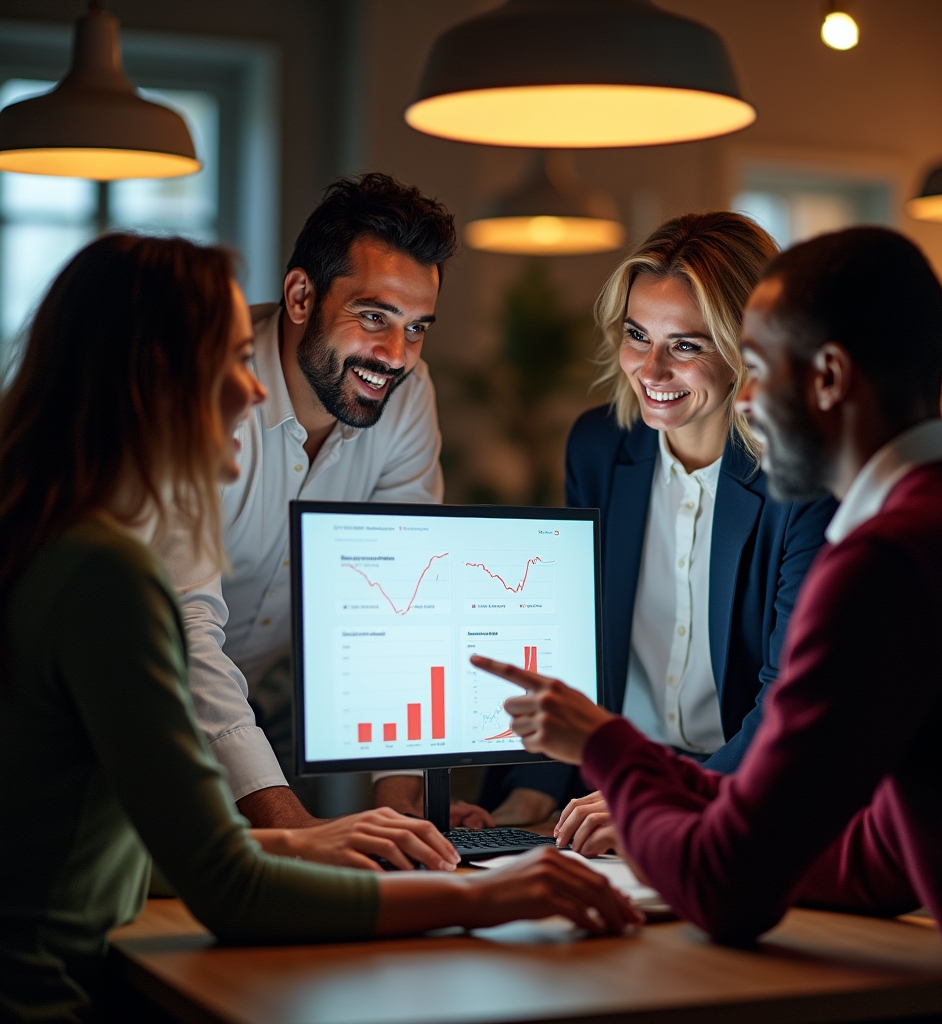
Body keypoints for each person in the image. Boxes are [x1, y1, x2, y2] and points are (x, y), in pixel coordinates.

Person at [0, 234, 640, 1023]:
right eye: (235, 361)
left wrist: (299, 844)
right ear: (158, 382)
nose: (256, 392)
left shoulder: (52, 541)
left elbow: (127, 854)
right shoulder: (109, 575)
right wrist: (487, 897)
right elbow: (227, 891)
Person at [471, 226, 942, 1014]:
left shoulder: (882, 562)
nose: (747, 401)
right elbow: (890, 850)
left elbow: (730, 889)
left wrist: (610, 752)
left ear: (829, 377)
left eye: (755, 368)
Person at [157, 173, 493, 841]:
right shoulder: (208, 385)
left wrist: (403, 804)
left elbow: (404, 603)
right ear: (302, 295)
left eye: (416, 327)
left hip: (254, 698)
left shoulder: (407, 393)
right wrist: (300, 832)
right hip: (134, 704)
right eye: (373, 316)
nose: (394, 357)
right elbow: (185, 633)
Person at [483, 212, 835, 837]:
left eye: (687, 345)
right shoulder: (596, 447)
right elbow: (569, 644)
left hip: (741, 794)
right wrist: (527, 798)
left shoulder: (803, 483)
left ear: (748, 352)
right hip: (605, 787)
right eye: (638, 334)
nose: (651, 370)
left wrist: (664, 800)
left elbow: (789, 697)